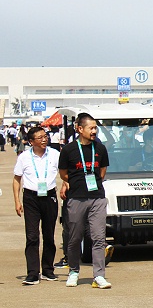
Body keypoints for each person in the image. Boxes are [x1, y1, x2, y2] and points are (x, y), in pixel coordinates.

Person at [58, 113, 112, 289]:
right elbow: (64, 174)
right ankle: (74, 271)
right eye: (91, 128)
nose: (94, 131)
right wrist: (73, 184)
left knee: (98, 238)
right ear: (80, 129)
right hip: (76, 198)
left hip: (97, 197)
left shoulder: (100, 149)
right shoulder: (68, 150)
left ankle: (99, 275)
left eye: (96, 127)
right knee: (74, 238)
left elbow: (102, 172)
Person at [12, 126, 61, 285]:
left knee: (49, 235)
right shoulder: (24, 157)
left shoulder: (54, 154)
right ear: (31, 142)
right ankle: (33, 273)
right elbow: (17, 179)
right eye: (39, 138)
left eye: (45, 136)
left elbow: (64, 171)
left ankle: (48, 270)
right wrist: (17, 201)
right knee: (32, 236)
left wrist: (66, 182)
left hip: (49, 196)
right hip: (31, 198)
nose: (44, 139)